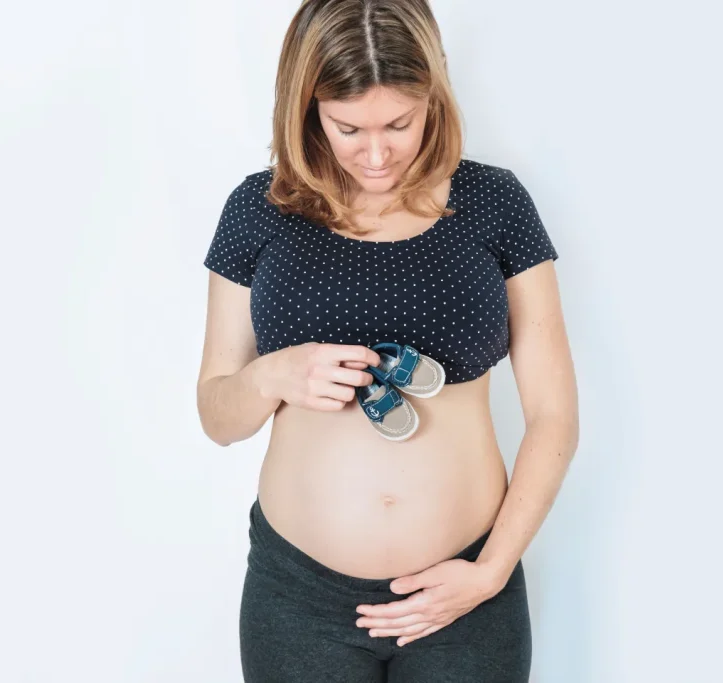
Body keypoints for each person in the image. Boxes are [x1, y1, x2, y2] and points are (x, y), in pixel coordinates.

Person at [197, 1, 579, 680]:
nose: (377, 154)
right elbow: (216, 414)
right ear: (306, 106)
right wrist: (269, 378)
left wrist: (489, 571)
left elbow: (555, 413)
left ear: (434, 94)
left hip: (465, 594)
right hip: (299, 600)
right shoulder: (258, 209)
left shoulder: (496, 202)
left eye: (400, 123)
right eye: (348, 128)